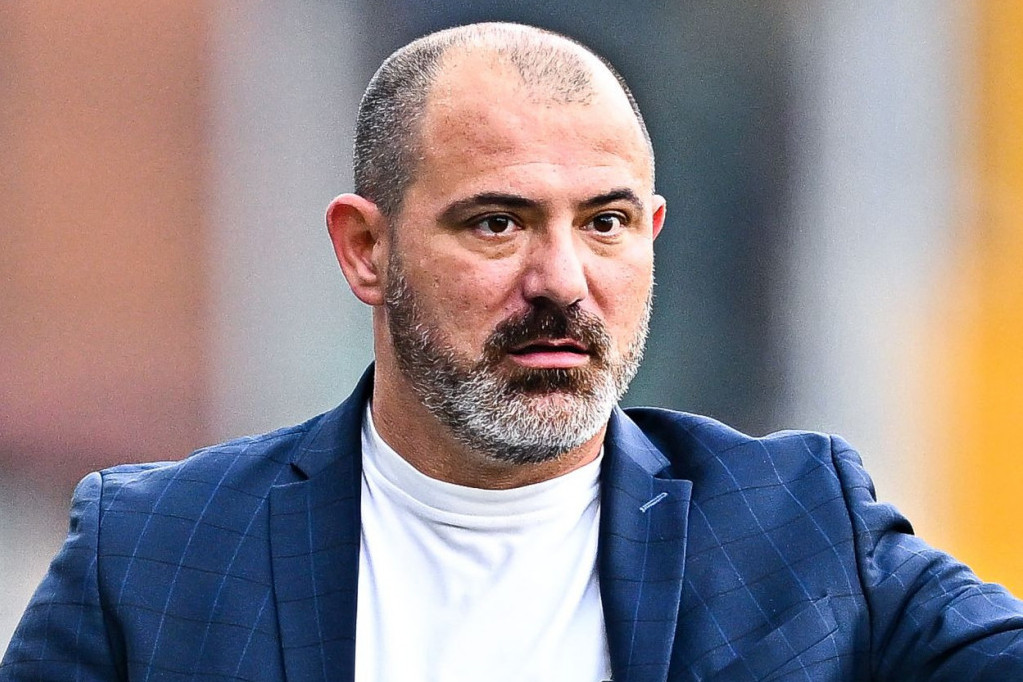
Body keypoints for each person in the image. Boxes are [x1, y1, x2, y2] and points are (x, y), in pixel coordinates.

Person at [2, 21, 1022, 682]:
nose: (562, 281)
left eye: (606, 223)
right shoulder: (155, 552)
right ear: (365, 250)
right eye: (497, 222)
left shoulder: (794, 522)